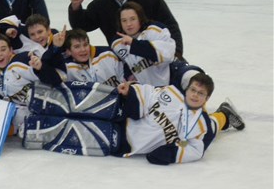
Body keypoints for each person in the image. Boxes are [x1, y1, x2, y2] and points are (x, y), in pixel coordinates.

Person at [23, 73, 246, 165]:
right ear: (188, 88)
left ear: (207, 98)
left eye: (201, 94)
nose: (195, 95)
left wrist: (172, 154)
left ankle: (225, 114)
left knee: (213, 126)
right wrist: (131, 96)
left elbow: (197, 150)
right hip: (121, 112)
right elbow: (147, 94)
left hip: (123, 141)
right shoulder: (172, 93)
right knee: (94, 104)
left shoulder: (201, 125)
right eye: (194, 90)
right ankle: (42, 102)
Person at [112, 1, 175, 86]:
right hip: (143, 92)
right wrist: (129, 76)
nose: (128, 24)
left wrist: (133, 43)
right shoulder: (117, 43)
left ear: (140, 18)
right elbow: (121, 66)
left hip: (169, 84)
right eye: (124, 21)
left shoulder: (155, 30)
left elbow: (168, 54)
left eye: (133, 19)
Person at [43, 28, 125, 87]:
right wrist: (55, 47)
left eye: (85, 45)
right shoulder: (67, 66)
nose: (83, 50)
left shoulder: (107, 55)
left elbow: (126, 77)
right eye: (77, 46)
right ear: (68, 51)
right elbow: (46, 72)